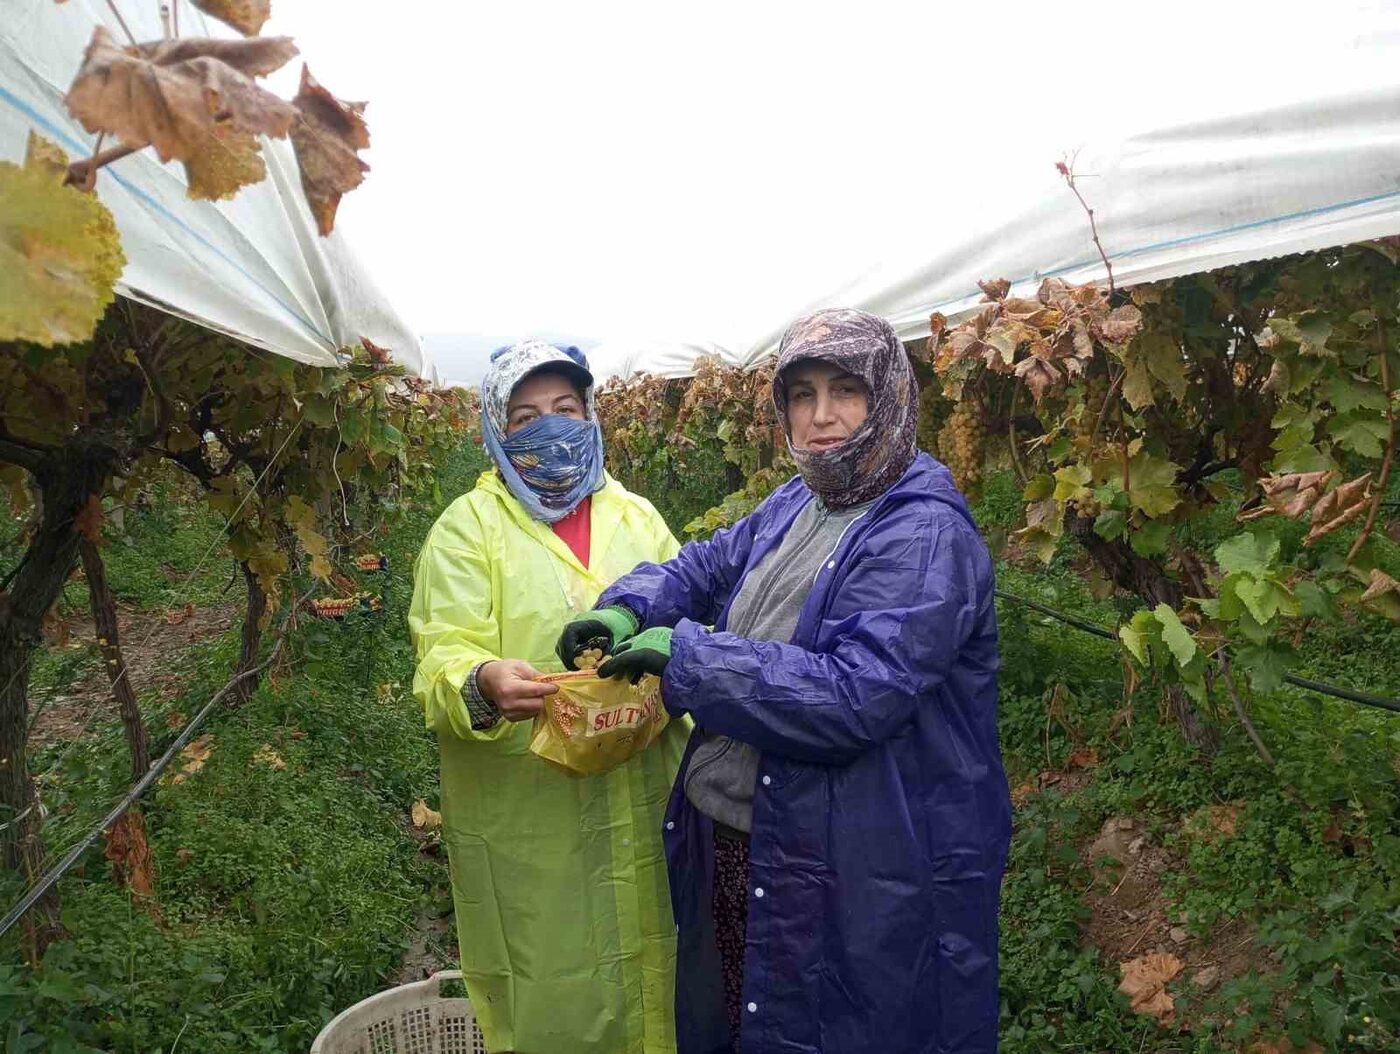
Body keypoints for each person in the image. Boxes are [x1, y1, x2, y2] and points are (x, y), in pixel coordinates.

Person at [556, 309, 1011, 1054]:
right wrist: (629, 607)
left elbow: (853, 696)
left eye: (844, 391)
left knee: (837, 1025)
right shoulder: (803, 499)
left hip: (849, 857)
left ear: (890, 396)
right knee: (745, 1021)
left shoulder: (922, 534)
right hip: (752, 837)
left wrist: (689, 656)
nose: (821, 416)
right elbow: (708, 565)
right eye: (801, 394)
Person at [409, 339, 690, 1054]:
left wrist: (679, 652)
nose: (551, 429)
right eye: (527, 415)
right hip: (530, 815)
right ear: (496, 430)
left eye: (565, 409)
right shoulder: (466, 532)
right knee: (548, 983)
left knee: (659, 967)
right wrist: (481, 682)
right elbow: (444, 649)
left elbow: (692, 611)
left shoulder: (638, 519)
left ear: (592, 414)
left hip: (643, 788)